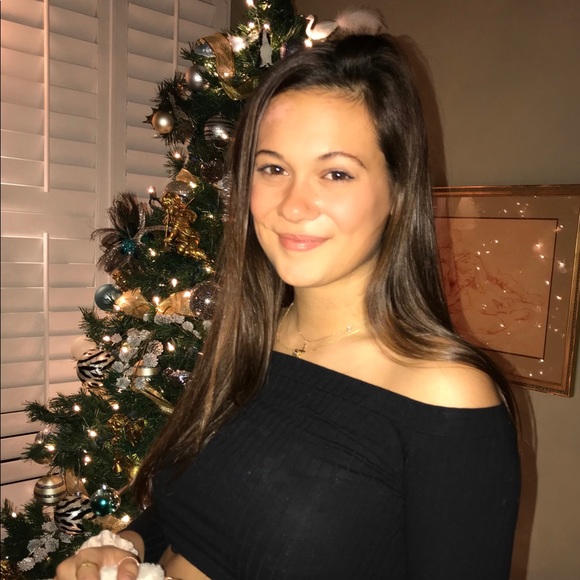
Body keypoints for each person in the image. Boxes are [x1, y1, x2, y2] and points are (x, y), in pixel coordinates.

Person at [56, 10, 520, 580]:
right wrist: (128, 545)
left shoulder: (446, 398)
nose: (293, 206)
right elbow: (197, 513)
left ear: (398, 190)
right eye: (273, 169)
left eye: (337, 173)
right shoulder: (251, 336)